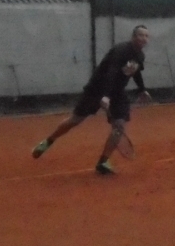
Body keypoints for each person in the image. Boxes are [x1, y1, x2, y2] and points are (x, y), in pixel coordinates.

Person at [33, 25, 152, 175]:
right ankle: (48, 141)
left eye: (147, 36)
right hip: (96, 89)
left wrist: (142, 89)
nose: (144, 39)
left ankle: (103, 162)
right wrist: (105, 96)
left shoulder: (140, 56)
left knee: (119, 126)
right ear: (133, 36)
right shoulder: (121, 50)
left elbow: (136, 73)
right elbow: (111, 73)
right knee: (75, 120)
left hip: (117, 93)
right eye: (141, 35)